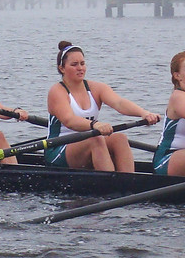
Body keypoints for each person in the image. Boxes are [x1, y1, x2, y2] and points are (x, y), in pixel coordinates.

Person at [45, 41, 160, 171]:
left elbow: (119, 103)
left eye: (82, 63)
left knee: (120, 138)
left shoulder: (96, 88)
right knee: (96, 139)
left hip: (87, 143)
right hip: (58, 149)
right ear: (62, 68)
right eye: (74, 64)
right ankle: (111, 180)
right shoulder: (57, 91)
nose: (80, 68)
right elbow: (69, 120)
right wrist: (95, 125)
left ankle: (128, 179)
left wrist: (144, 113)